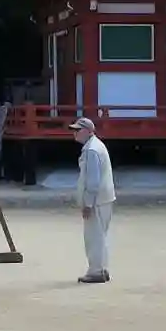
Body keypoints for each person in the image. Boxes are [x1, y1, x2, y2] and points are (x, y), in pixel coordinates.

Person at [71, 114, 115, 283]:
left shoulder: (91, 150)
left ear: (89, 131)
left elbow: (92, 181)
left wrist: (87, 203)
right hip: (105, 198)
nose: (75, 133)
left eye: (78, 130)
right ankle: (102, 268)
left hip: (97, 201)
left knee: (93, 237)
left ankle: (96, 271)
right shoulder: (97, 146)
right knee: (101, 236)